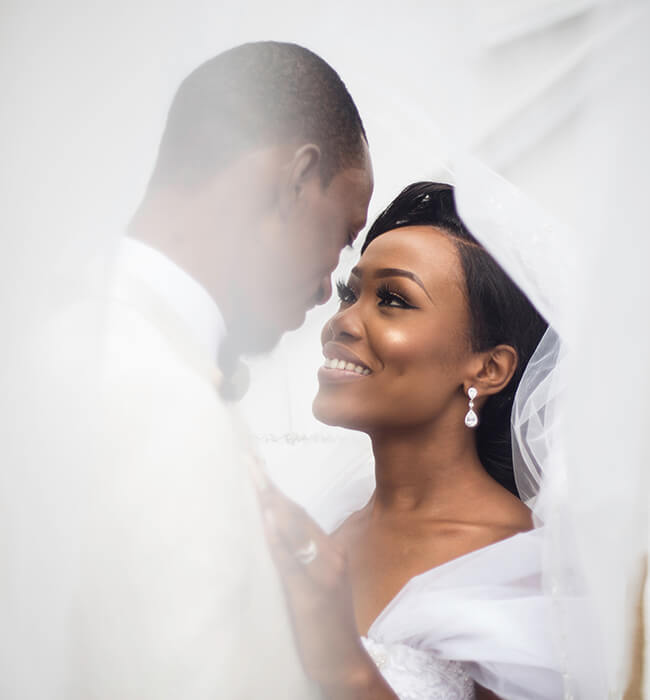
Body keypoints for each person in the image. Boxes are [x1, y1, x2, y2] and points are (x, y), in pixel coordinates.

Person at [1, 41, 372, 699]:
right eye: (342, 235)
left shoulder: (76, 341)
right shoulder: (154, 394)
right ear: (294, 182)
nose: (327, 290)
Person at [255, 182, 563, 699]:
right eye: (352, 294)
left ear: (489, 368)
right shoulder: (325, 524)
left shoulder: (520, 568)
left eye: (393, 299)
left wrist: (346, 670)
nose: (342, 323)